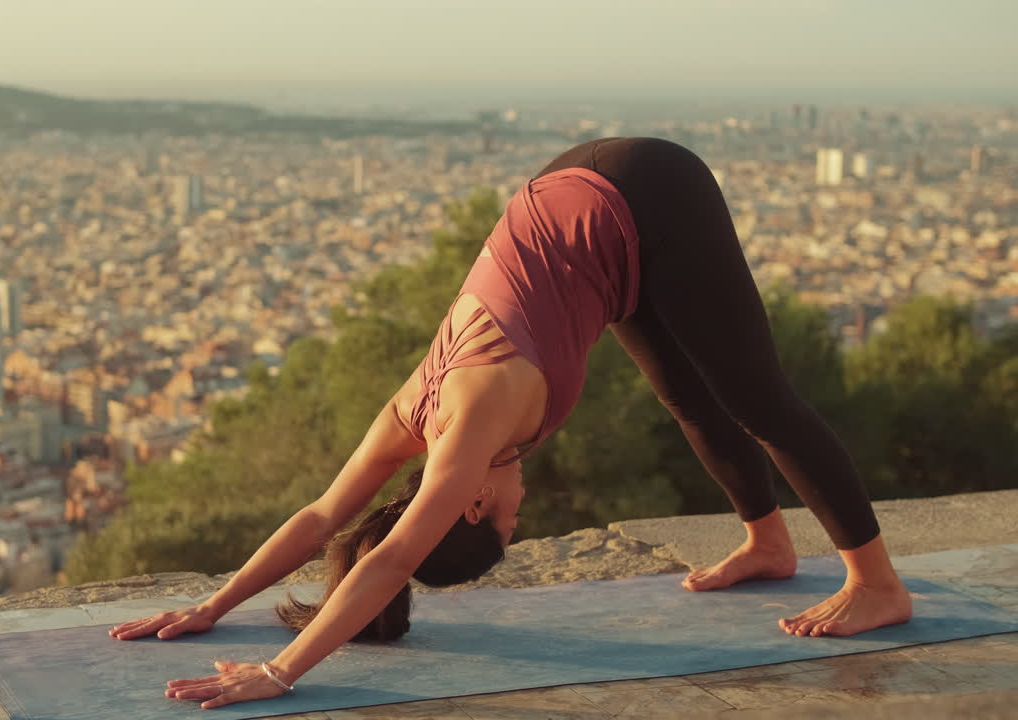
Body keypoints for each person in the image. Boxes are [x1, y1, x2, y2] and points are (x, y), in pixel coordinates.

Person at [109, 137, 913, 710]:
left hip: (646, 190)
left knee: (761, 398)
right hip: (590, 218)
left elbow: (388, 560)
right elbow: (323, 517)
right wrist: (214, 606)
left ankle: (877, 585)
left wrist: (279, 672)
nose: (520, 504)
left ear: (471, 506)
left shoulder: (461, 441)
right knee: (692, 399)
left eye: (508, 520)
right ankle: (768, 545)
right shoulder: (411, 419)